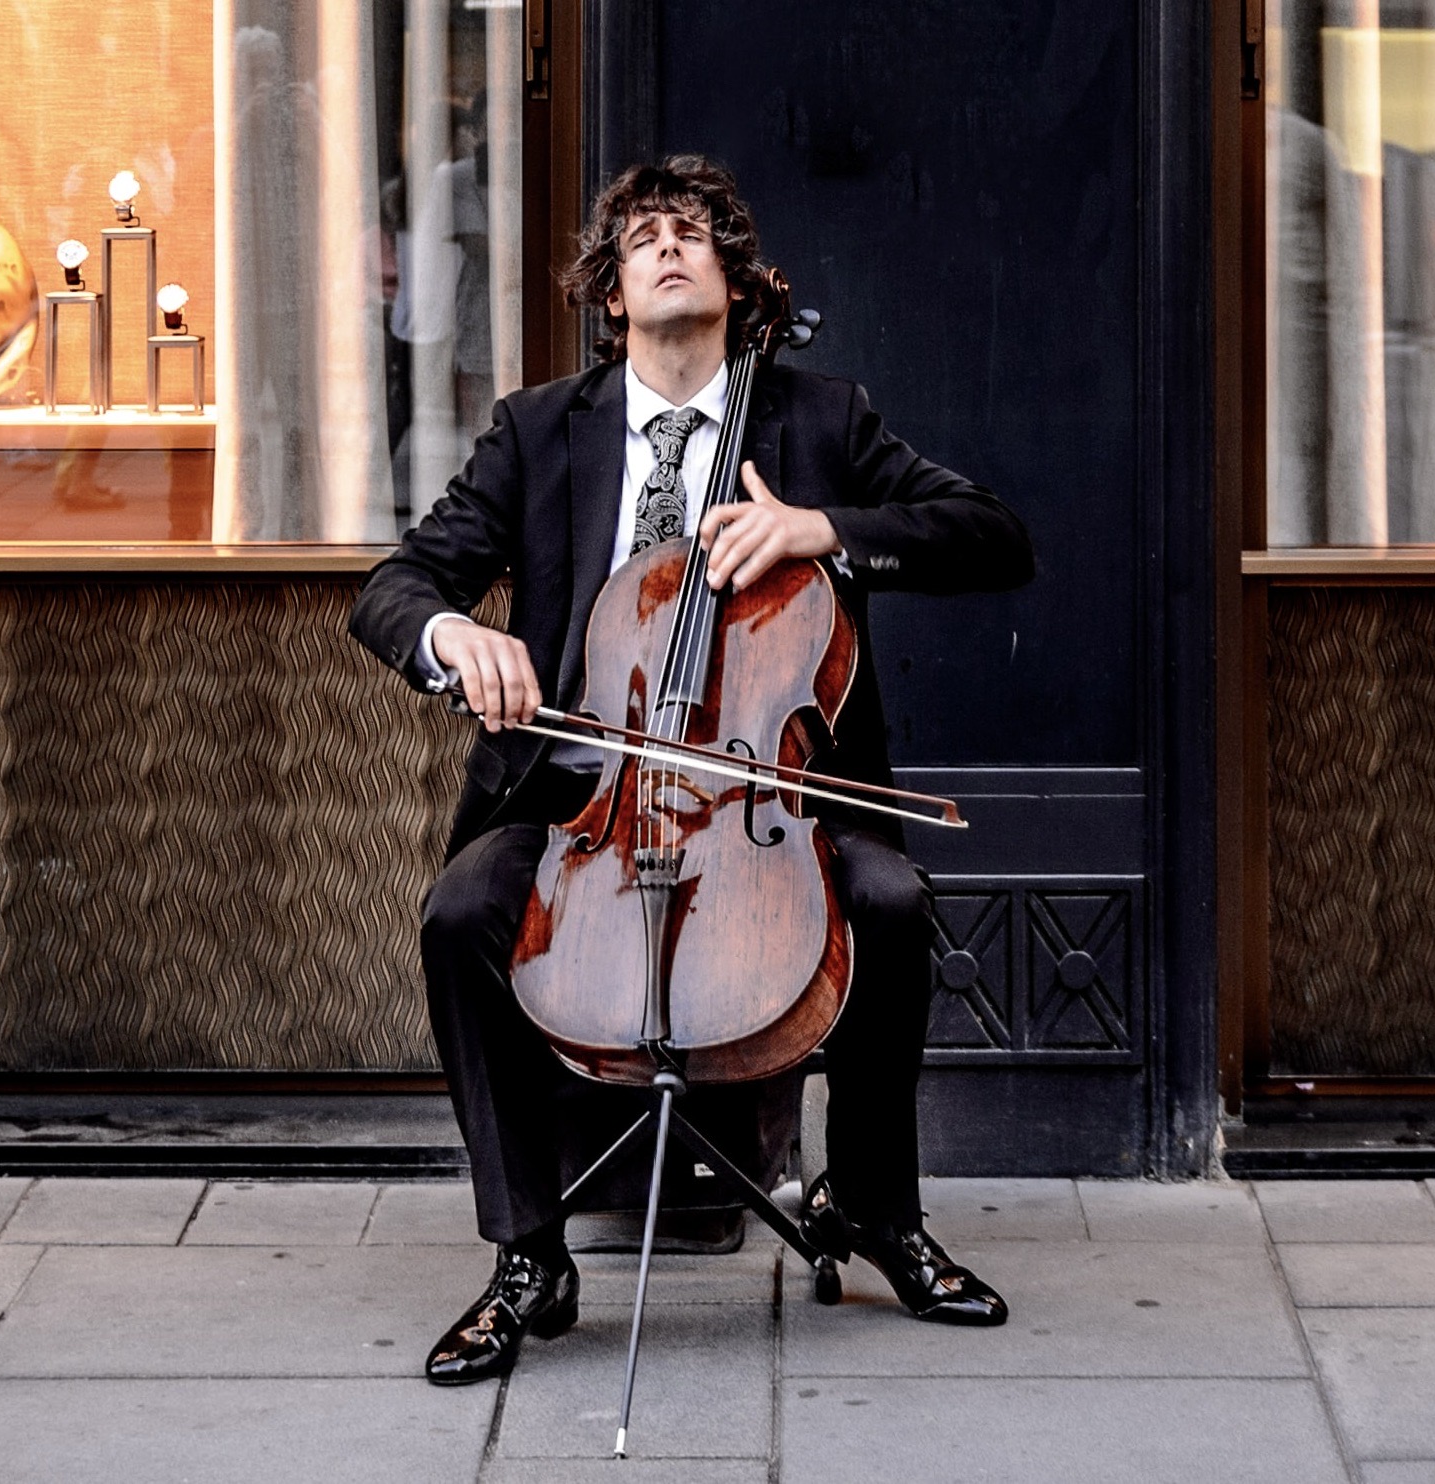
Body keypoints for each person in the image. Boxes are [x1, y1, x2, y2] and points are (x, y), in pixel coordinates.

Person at [348, 155, 1036, 1386]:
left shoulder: (818, 424)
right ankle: (527, 1251)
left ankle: (873, 1205)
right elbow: (394, 588)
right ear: (609, 294)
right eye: (639, 239)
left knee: (887, 901)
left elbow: (989, 533)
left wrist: (821, 529)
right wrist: (456, 635)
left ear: (732, 280)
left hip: (763, 797)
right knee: (462, 911)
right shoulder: (539, 429)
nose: (666, 247)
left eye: (690, 234)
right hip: (583, 799)